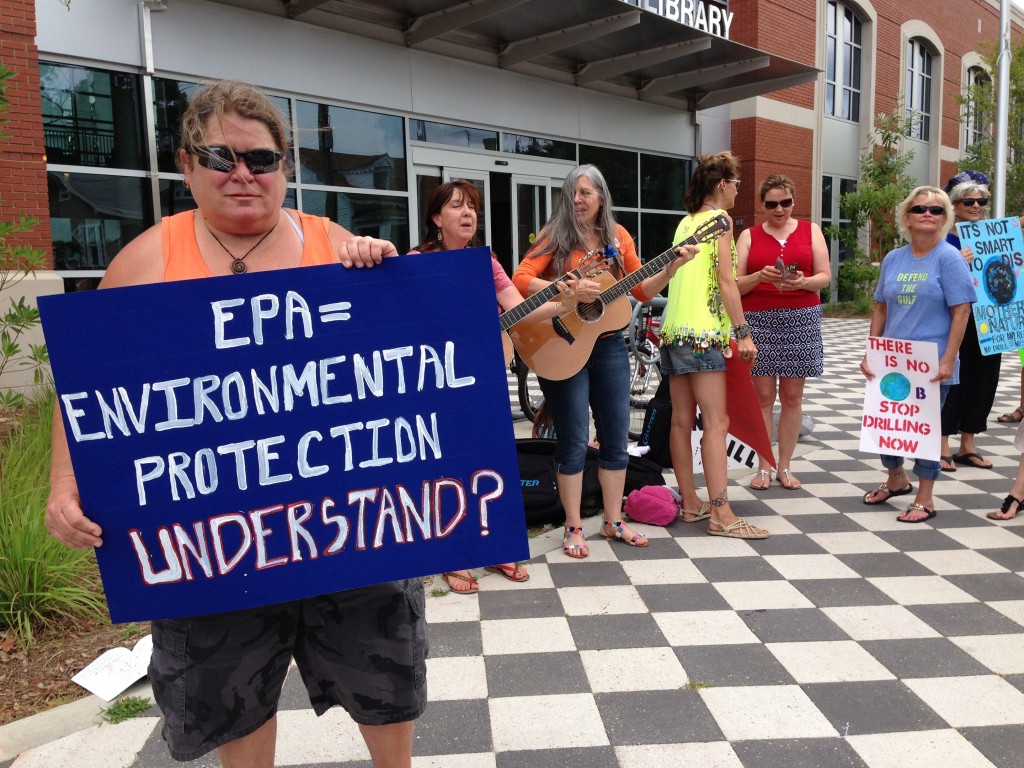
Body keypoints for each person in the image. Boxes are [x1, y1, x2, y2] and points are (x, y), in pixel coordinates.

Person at [45, 81, 424, 768]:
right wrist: (64, 484)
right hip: (214, 544)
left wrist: (380, 276)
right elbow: (85, 383)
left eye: (262, 159)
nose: (242, 173)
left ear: (286, 168)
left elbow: (404, 360)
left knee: (384, 677)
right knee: (231, 694)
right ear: (187, 166)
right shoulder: (146, 262)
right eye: (220, 157)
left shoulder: (331, 245)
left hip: (342, 532)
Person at [512, 164, 695, 558]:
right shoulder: (555, 235)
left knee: (614, 435)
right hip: (563, 343)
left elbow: (642, 289)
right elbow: (521, 279)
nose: (577, 200)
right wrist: (566, 290)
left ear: (601, 197)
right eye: (572, 193)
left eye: (585, 193)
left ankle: (613, 521)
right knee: (575, 438)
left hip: (610, 345)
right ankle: (573, 526)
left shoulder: (618, 236)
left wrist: (671, 269)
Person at [410, 179, 551, 592]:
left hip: (483, 375)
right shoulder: (417, 261)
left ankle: (496, 545)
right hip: (435, 380)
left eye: (472, 206)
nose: (468, 213)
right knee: (447, 466)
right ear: (437, 218)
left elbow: (519, 309)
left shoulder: (484, 261)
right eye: (457, 206)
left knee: (492, 459)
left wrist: (567, 300)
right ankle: (454, 553)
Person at [660, 151, 769, 540]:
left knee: (680, 420)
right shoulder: (720, 222)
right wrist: (743, 332)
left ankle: (691, 502)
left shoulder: (685, 222)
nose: (739, 190)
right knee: (717, 422)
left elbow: (700, 280)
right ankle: (721, 512)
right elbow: (724, 282)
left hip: (673, 330)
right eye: (737, 183)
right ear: (722, 184)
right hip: (704, 333)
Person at [861, 186, 975, 522]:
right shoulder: (894, 258)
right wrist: (872, 349)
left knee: (923, 430)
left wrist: (948, 358)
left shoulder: (949, 258)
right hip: (893, 359)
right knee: (887, 423)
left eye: (937, 210)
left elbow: (962, 312)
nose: (928, 214)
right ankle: (895, 478)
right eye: (921, 208)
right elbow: (881, 307)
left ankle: (925, 497)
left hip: (931, 363)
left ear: (944, 219)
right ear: (906, 217)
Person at [736, 173, 831, 491]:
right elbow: (734, 285)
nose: (779, 209)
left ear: (794, 201)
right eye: (772, 204)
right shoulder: (748, 235)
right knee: (763, 397)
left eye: (786, 203)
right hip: (759, 320)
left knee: (792, 397)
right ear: (762, 205)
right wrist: (759, 277)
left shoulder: (810, 230)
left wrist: (802, 282)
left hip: (800, 318)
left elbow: (825, 276)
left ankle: (785, 466)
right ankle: (765, 465)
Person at [938, 170, 999, 471]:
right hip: (952, 317)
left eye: (982, 201)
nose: (976, 206)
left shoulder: (996, 236)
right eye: (968, 201)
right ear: (955, 204)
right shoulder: (939, 238)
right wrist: (954, 262)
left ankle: (968, 443)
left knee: (984, 378)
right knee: (953, 376)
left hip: (989, 316)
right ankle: (942, 443)